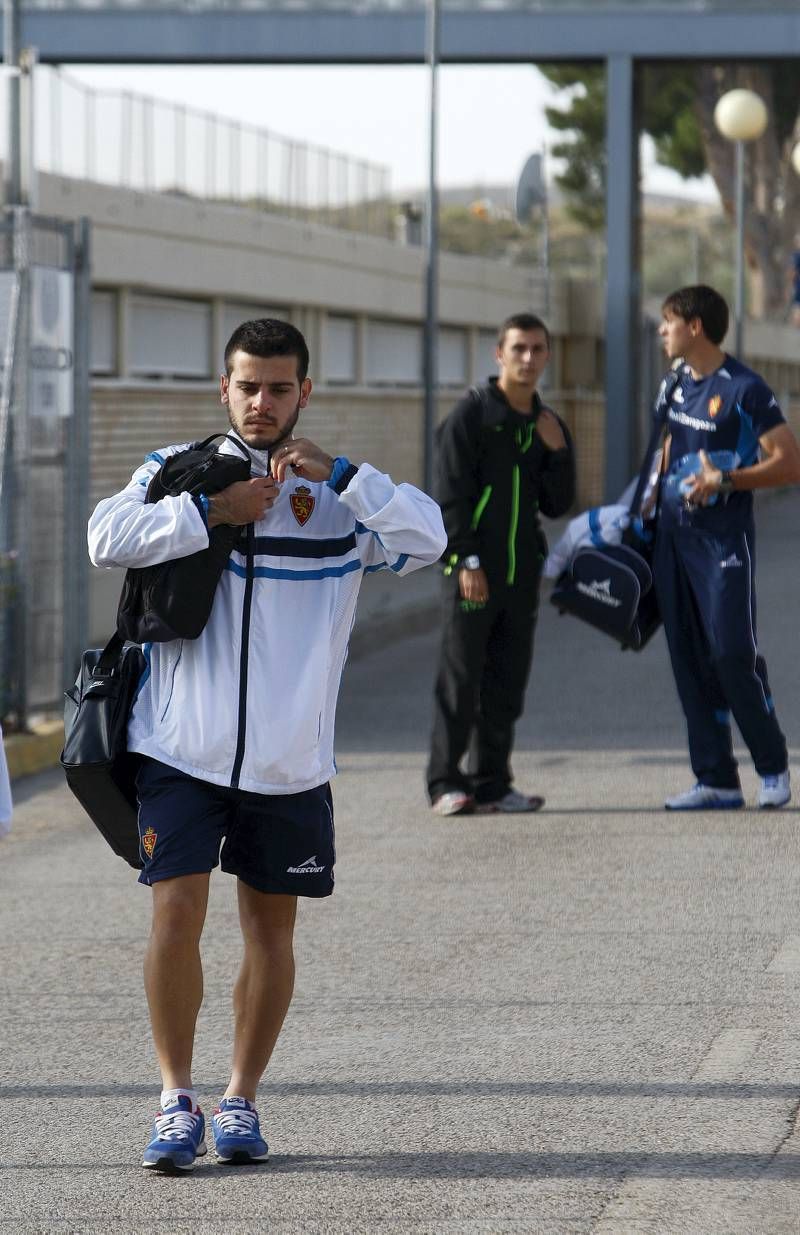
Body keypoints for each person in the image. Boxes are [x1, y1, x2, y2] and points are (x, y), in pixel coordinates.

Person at [88, 318, 446, 1172]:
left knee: (269, 933)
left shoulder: (337, 501)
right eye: (248, 386)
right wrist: (210, 510)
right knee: (175, 909)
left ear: (304, 393)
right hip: (179, 747)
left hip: (290, 760)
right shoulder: (175, 470)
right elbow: (106, 535)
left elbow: (429, 539)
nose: (262, 402)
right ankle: (177, 1097)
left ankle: (241, 1097)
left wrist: (349, 477)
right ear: (225, 387)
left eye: (279, 388)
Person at [654, 284, 800, 810]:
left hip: (722, 541)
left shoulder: (746, 389)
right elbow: (667, 448)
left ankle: (772, 766)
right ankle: (715, 778)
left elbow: (790, 462)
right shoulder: (674, 383)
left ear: (694, 327)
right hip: (673, 537)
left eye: (667, 322)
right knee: (690, 659)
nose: (661, 331)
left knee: (732, 653)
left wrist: (727, 481)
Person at [426, 312, 576, 817]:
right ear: (500, 354)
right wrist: (464, 558)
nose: (528, 359)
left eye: (537, 349)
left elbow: (558, 504)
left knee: (506, 684)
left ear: (547, 356)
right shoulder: (470, 416)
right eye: (519, 349)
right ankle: (446, 782)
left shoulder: (547, 423)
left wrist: (558, 454)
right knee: (461, 681)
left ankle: (493, 783)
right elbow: (448, 497)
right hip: (471, 573)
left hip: (519, 576)